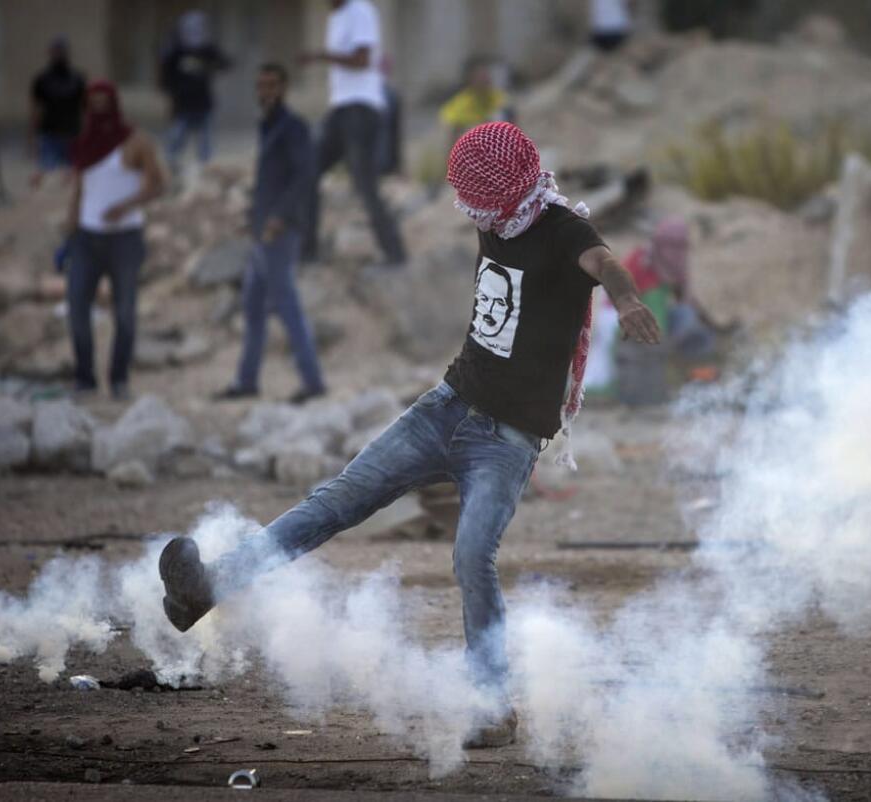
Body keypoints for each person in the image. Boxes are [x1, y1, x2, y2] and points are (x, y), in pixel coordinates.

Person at [158, 122, 660, 748]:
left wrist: (630, 300)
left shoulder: (563, 229)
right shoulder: (496, 217)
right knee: (334, 503)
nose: (469, 210)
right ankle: (205, 589)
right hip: (446, 407)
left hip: (507, 440)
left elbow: (603, 262)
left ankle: (492, 705)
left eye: (477, 197)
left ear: (506, 191)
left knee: (473, 555)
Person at [215, 64, 326, 405]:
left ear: (284, 88)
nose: (265, 90)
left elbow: (304, 176)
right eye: (261, 85)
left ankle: (313, 382)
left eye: (272, 85)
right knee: (252, 305)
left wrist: (279, 216)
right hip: (261, 232)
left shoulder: (293, 128)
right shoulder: (268, 126)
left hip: (280, 232)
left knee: (286, 305)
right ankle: (247, 381)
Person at [65, 81, 165, 399]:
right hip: (86, 237)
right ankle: (85, 379)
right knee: (77, 310)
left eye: (103, 103)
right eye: (92, 103)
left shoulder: (136, 142)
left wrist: (125, 207)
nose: (98, 109)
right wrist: (70, 231)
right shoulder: (84, 143)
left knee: (124, 313)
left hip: (124, 239)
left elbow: (158, 185)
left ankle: (119, 380)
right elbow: (81, 189)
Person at [300, 0, 406, 268]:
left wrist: (321, 56)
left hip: (361, 108)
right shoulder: (335, 17)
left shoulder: (360, 10)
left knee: (364, 185)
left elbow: (362, 59)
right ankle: (306, 251)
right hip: (341, 109)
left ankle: (395, 255)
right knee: (308, 169)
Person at [584, 218, 728, 395]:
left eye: (680, 246)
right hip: (616, 313)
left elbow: (687, 300)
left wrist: (716, 327)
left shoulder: (668, 265)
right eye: (673, 245)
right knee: (603, 374)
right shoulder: (646, 266)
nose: (676, 251)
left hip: (634, 312)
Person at [160, 10, 231, 177]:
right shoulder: (176, 50)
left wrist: (209, 66)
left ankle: (204, 169)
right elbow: (166, 75)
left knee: (205, 140)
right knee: (177, 136)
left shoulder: (207, 49)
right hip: (183, 102)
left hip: (203, 101)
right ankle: (171, 165)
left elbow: (224, 63)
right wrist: (170, 95)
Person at [29, 36, 86, 187]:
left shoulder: (77, 79)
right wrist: (32, 137)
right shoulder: (42, 79)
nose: (58, 54)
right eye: (55, 51)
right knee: (46, 174)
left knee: (72, 177)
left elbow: (85, 109)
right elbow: (35, 108)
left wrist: (86, 134)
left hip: (72, 133)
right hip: (49, 134)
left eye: (61, 51)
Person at [438, 57, 514, 140]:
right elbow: (448, 121)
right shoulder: (459, 104)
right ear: (470, 80)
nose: (484, 80)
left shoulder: (500, 98)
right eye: (479, 76)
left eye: (485, 75)